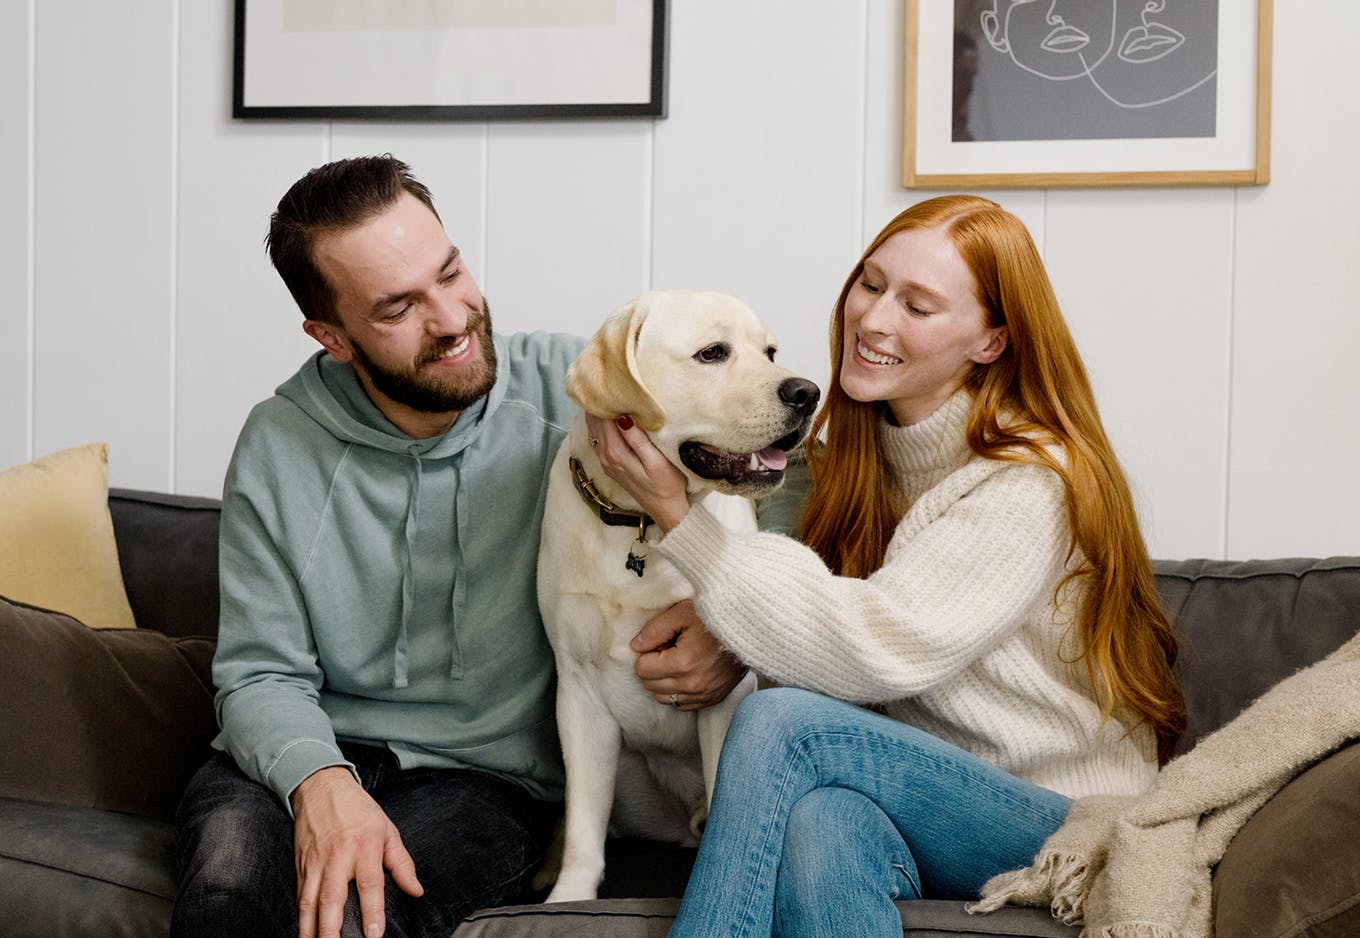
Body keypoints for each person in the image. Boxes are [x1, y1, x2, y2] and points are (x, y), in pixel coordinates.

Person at [171, 155, 744, 938]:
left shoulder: (579, 394)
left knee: (357, 919)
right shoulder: (279, 445)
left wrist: (734, 630)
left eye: (451, 273)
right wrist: (321, 784)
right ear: (331, 336)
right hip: (301, 754)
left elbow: (774, 478)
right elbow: (259, 670)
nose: (450, 319)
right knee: (231, 890)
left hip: (484, 781)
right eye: (398, 307)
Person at [586, 194, 1186, 937]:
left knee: (785, 726)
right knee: (821, 824)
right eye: (871, 284)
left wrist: (682, 518)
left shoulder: (1032, 481)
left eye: (919, 306)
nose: (872, 320)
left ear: (992, 342)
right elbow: (807, 632)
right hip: (915, 799)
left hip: (1056, 814)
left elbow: (875, 645)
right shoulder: (854, 466)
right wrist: (733, 631)